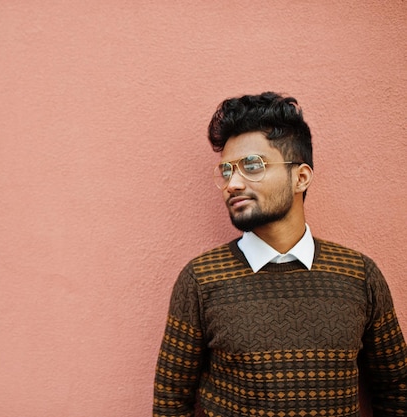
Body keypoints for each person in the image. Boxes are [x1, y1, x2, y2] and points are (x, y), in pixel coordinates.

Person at [153, 92, 407, 417]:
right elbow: (170, 402)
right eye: (227, 170)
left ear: (300, 177)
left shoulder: (359, 276)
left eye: (252, 166)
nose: (232, 183)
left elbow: (397, 390)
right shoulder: (201, 280)